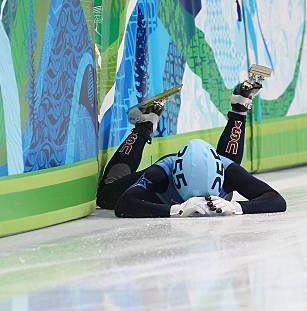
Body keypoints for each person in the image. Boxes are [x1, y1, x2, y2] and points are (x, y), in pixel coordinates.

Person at [97, 73, 287, 218]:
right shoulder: (162, 172)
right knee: (107, 194)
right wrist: (177, 209)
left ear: (220, 174)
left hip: (224, 164)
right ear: (175, 177)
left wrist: (237, 207)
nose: (200, 200)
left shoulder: (228, 170)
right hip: (167, 180)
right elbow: (124, 204)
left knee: (230, 161)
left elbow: (277, 200)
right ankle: (144, 126)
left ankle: (240, 107)